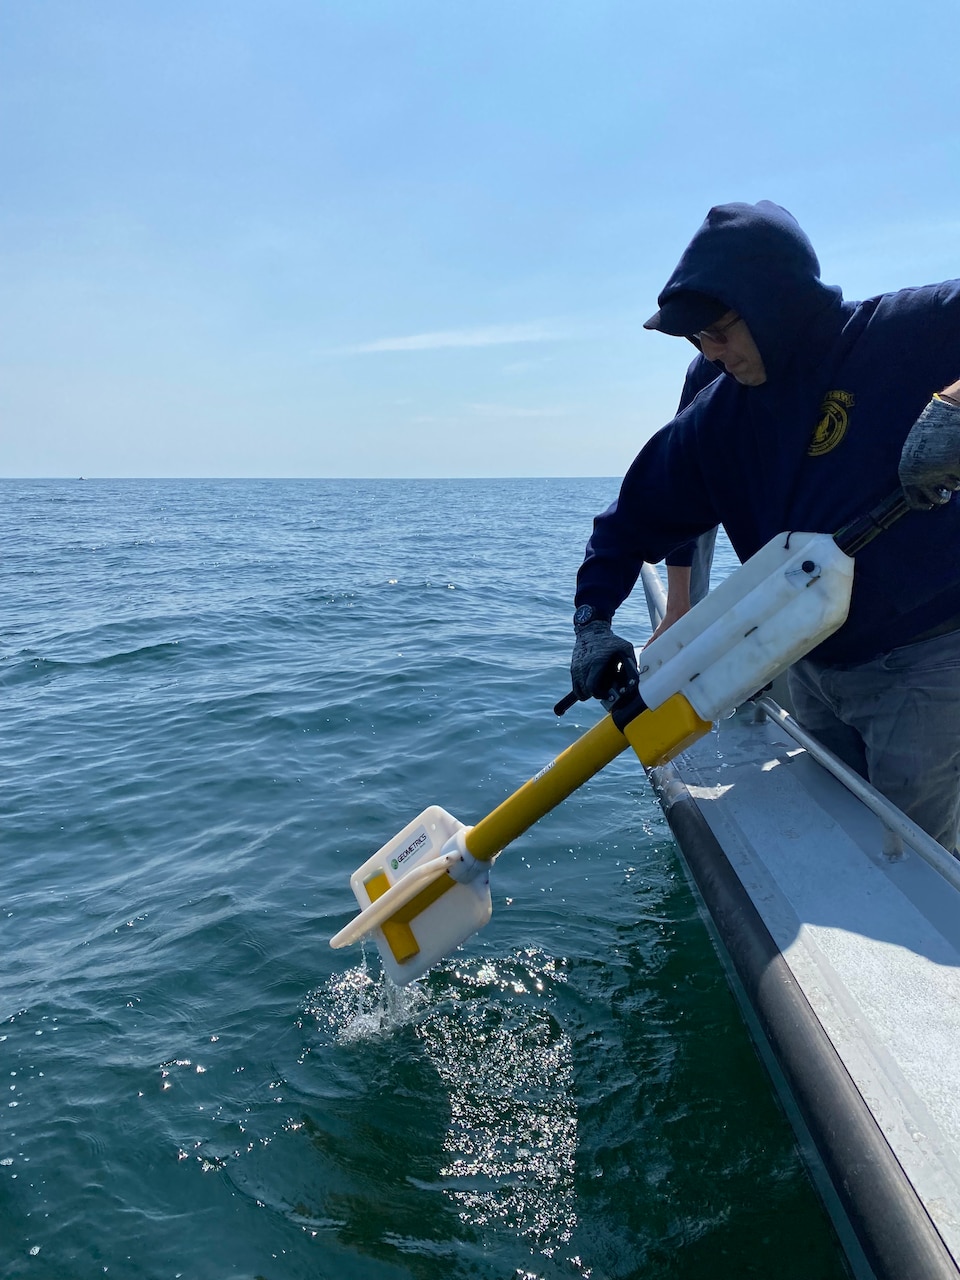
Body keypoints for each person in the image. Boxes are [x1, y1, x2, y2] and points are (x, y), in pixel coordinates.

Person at [569, 200, 960, 850]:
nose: (710, 352)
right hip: (806, 656)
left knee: (913, 865)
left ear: (775, 301)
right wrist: (591, 624)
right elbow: (626, 523)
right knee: (838, 844)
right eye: (697, 341)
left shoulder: (906, 331)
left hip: (925, 663)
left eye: (719, 331)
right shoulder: (716, 422)